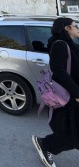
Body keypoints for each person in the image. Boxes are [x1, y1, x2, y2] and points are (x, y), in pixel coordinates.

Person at [32, 17, 79, 167]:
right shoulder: (60, 44)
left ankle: (46, 144)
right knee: (73, 134)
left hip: (73, 94)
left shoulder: (70, 43)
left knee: (72, 132)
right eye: (75, 25)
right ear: (67, 28)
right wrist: (77, 93)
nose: (77, 28)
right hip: (70, 96)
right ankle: (46, 145)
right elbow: (58, 71)